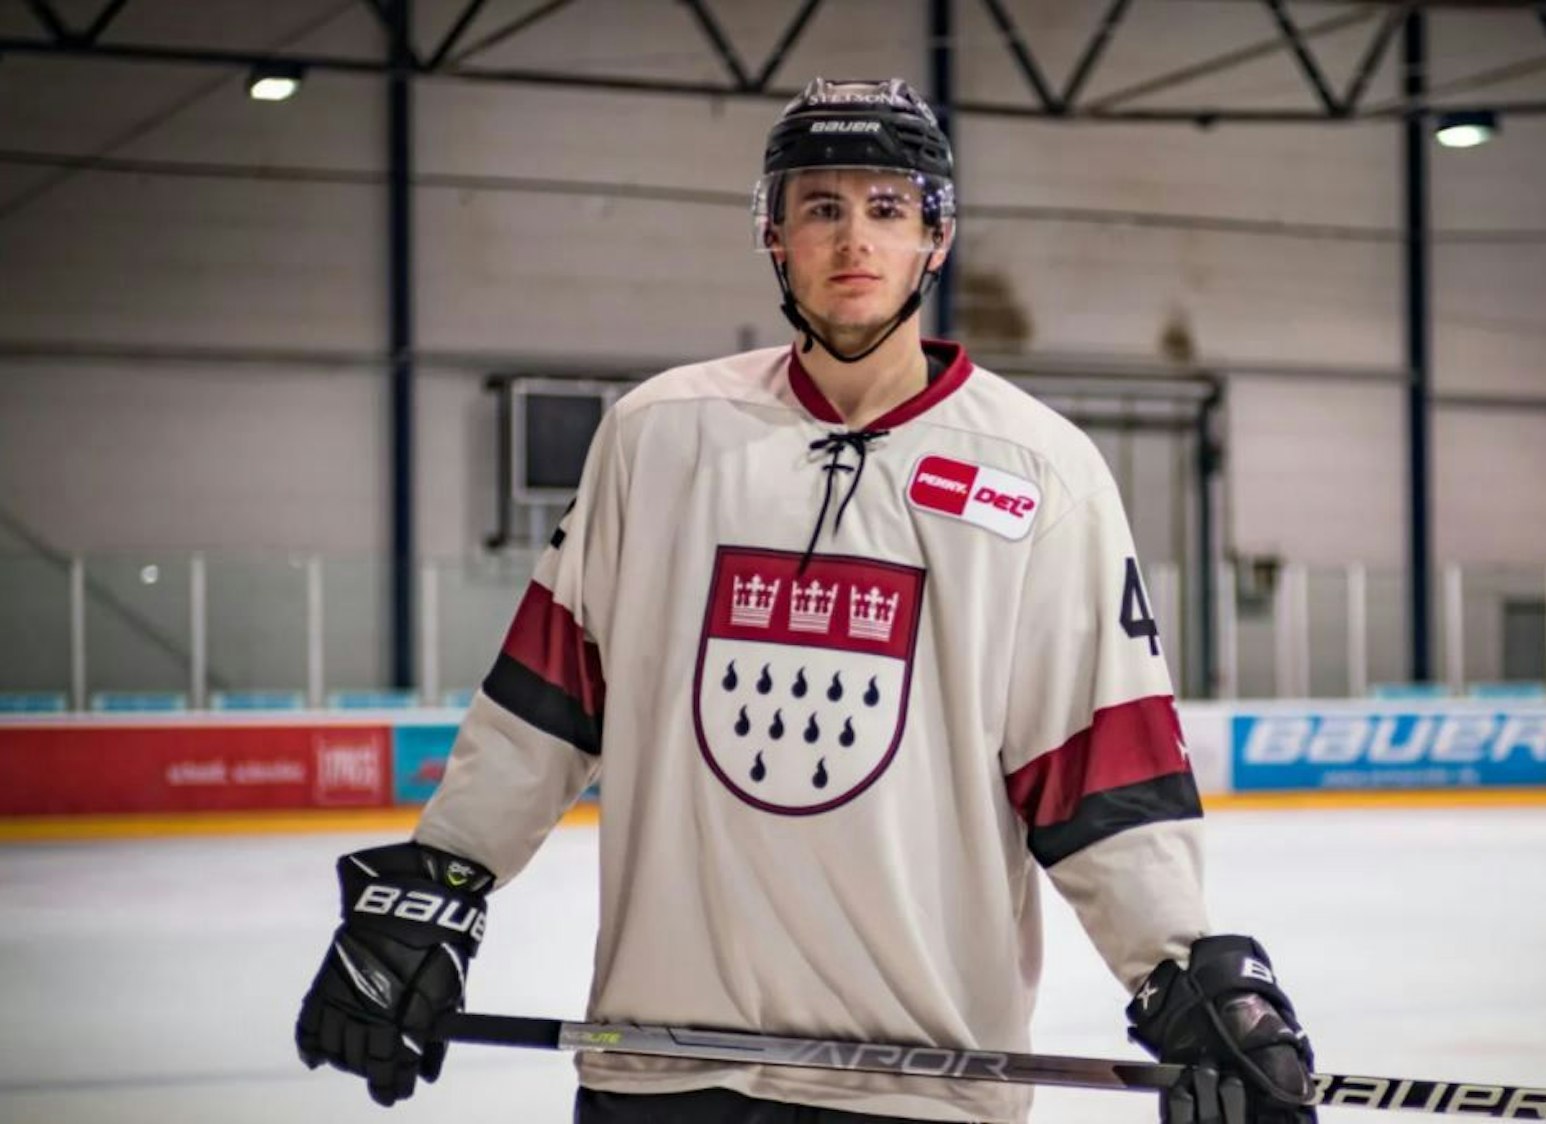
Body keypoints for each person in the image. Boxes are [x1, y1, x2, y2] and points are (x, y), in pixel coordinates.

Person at [295, 77, 1318, 1124]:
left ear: (937, 236)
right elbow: (544, 703)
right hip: (661, 1067)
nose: (853, 239)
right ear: (773, 236)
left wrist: (1180, 971)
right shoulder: (660, 436)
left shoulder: (1038, 471)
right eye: (820, 207)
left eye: (887, 207)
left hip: (917, 1079)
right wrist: (438, 882)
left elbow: (1096, 761)